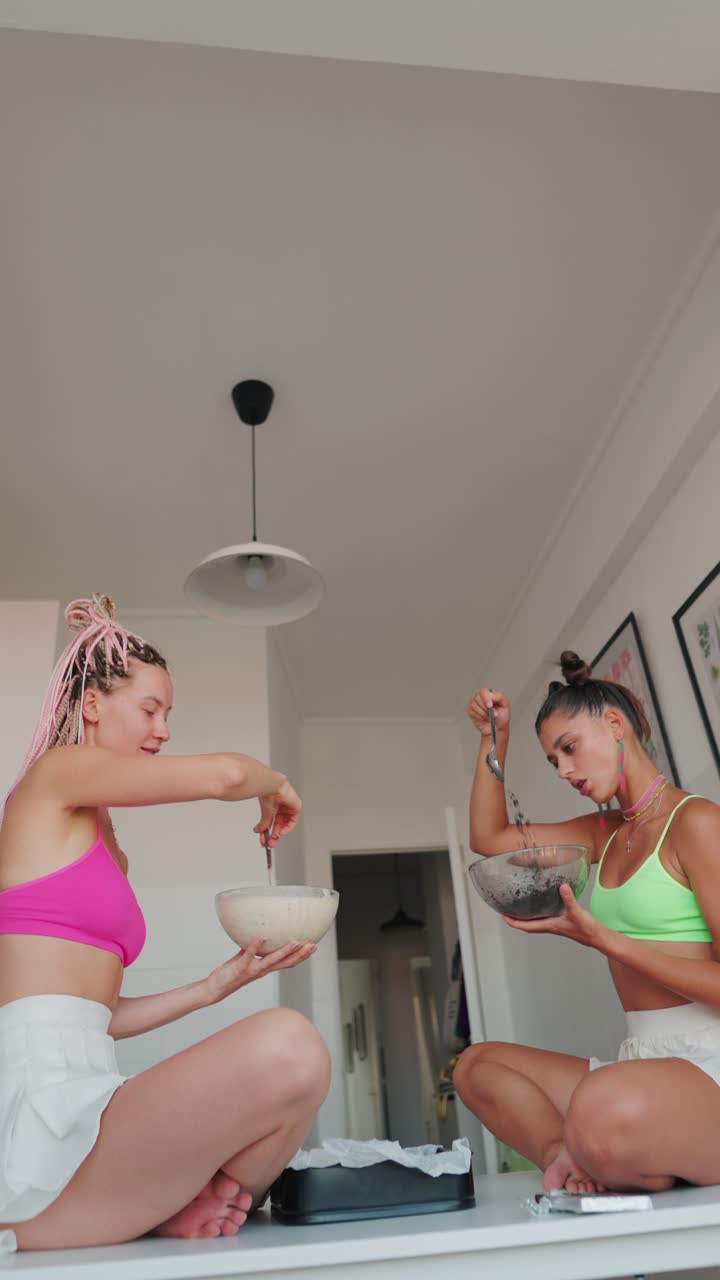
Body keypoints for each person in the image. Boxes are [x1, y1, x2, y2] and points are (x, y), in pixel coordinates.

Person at [0, 595, 330, 1252]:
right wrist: (277, 783)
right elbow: (227, 774)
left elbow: (97, 1014)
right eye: (150, 710)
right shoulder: (56, 775)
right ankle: (88, 1211)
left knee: (298, 1076)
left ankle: (165, 1209)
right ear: (92, 704)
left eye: (168, 714)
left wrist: (215, 987)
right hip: (35, 1110)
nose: (163, 729)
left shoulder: (104, 833)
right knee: (288, 1046)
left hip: (92, 1093)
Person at [454, 651, 720, 1194]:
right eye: (554, 761)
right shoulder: (604, 833)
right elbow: (490, 839)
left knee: (603, 1102)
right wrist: (492, 739)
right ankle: (568, 1160)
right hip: (641, 1058)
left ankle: (613, 1146)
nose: (566, 771)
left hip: (710, 1060)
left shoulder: (696, 822)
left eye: (569, 748)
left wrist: (604, 939)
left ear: (615, 724)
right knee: (477, 1066)